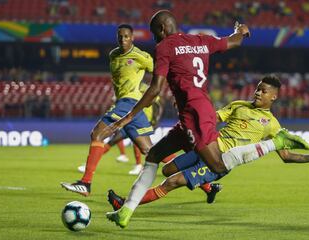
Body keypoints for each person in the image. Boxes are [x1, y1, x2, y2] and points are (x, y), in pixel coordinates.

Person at [102, 9, 253, 228]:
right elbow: (233, 42)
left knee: (218, 166)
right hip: (193, 111)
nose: (154, 38)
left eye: (155, 33)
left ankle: (265, 146)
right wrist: (241, 31)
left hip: (195, 113)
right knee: (153, 155)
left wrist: (128, 117)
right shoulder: (201, 40)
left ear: (162, 29)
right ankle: (125, 211)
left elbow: (155, 88)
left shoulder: (164, 47)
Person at [106, 76, 309, 210]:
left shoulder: (272, 124)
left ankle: (125, 205)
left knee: (171, 181)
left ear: (273, 97)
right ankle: (209, 188)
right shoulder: (239, 105)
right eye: (258, 88)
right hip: (208, 146)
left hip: (221, 161)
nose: (258, 93)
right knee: (168, 168)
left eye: (264, 91)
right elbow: (211, 118)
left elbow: (286, 156)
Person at [60, 24, 155, 196]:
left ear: (132, 38)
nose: (123, 39)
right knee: (151, 151)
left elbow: (160, 74)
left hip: (129, 102)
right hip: (128, 105)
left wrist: (153, 95)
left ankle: (86, 182)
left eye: (126, 36)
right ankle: (205, 184)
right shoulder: (113, 55)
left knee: (97, 134)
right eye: (120, 36)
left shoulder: (141, 56)